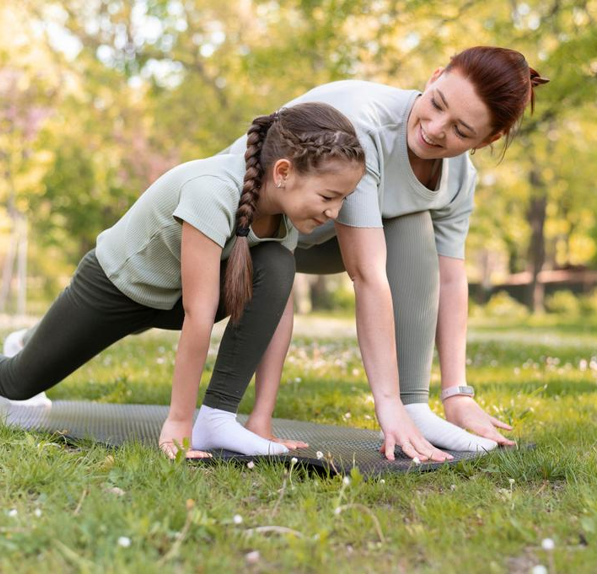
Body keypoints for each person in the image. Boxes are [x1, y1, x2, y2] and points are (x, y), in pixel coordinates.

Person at [0, 102, 367, 459]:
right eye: (329, 196)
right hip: (118, 287)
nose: (334, 212)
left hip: (173, 295)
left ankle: (218, 418)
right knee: (18, 382)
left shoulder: (283, 216)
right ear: (283, 172)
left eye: (343, 200)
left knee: (280, 268)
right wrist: (178, 422)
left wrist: (258, 419)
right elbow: (199, 318)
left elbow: (274, 315)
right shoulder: (212, 192)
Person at [217, 46, 548, 461]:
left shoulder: (460, 177)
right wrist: (383, 404)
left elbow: (448, 279)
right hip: (233, 233)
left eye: (461, 131)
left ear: (489, 139)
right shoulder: (367, 126)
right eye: (437, 104)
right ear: (433, 76)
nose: (435, 129)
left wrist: (457, 393)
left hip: (306, 241)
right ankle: (401, 405)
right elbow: (368, 274)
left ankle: (416, 406)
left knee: (412, 220)